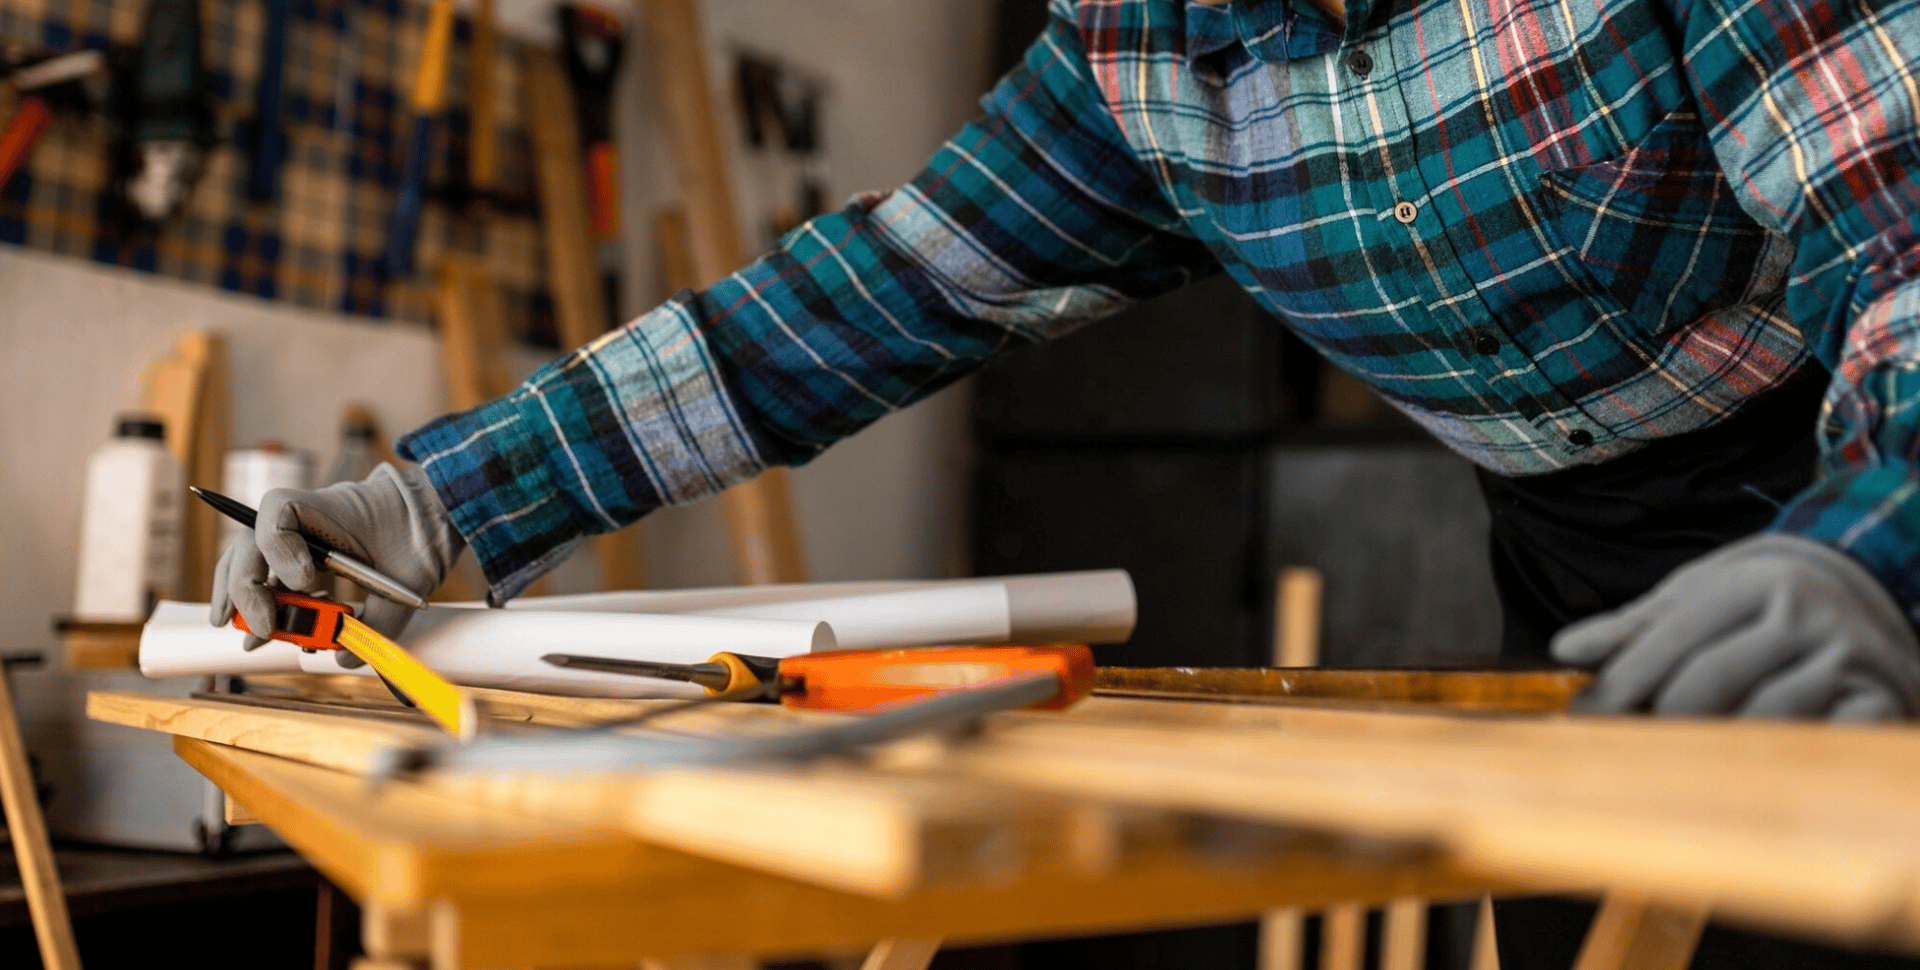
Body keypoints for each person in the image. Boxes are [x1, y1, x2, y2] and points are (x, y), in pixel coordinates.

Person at [213, 0, 1920, 960]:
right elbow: (858, 301)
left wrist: (1870, 552)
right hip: (1580, 565)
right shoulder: (1141, 48)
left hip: (1852, 480)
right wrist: (440, 503)